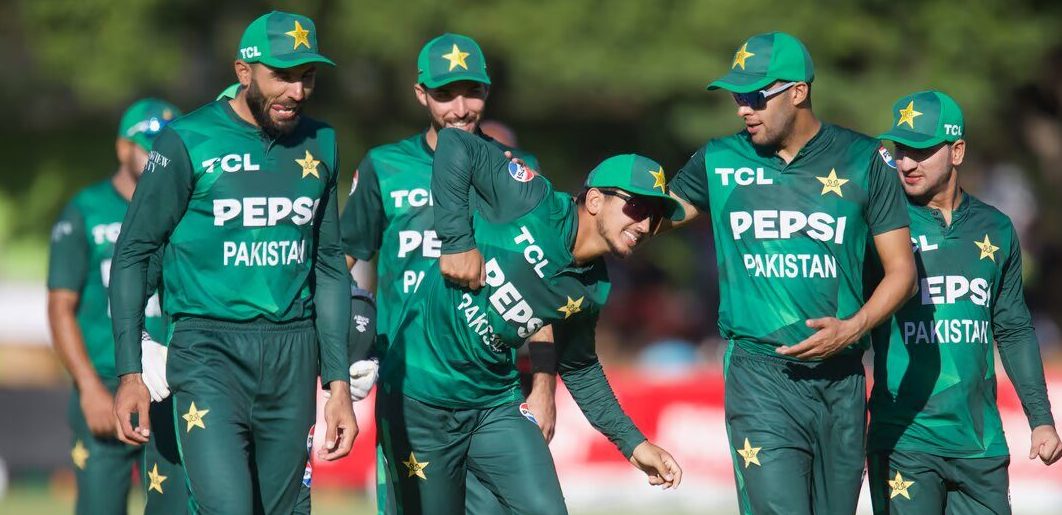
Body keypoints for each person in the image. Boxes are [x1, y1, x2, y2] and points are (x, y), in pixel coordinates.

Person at [107, 11, 356, 514]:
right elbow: (134, 252)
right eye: (281, 76)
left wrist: (339, 385)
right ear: (244, 72)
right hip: (207, 352)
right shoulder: (186, 140)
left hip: (292, 352)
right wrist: (130, 371)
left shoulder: (322, 142)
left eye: (307, 76)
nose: (297, 91)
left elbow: (329, 266)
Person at [662, 32, 917, 514]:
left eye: (755, 96)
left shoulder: (865, 160)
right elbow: (647, 219)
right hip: (759, 376)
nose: (743, 109)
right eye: (738, 97)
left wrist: (852, 329)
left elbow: (901, 272)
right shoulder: (718, 159)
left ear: (797, 91)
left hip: (841, 381)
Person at [380, 128, 683, 514]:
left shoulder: (593, 288)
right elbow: (456, 145)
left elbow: (580, 366)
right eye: (637, 208)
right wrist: (457, 242)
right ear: (593, 199)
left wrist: (634, 445)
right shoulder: (532, 200)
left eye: (655, 218)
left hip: (494, 404)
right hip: (421, 396)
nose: (644, 226)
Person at [338, 33, 558, 514]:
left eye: (472, 91)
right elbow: (340, 265)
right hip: (409, 387)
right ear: (421, 94)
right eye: (444, 94)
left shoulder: (518, 171)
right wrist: (338, 356)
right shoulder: (385, 167)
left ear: (488, 90)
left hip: (493, 388)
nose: (460, 107)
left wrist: (543, 389)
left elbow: (541, 285)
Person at [867, 90, 1062, 514]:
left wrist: (1040, 418)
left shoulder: (997, 227)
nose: (906, 163)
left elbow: (1012, 328)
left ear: (957, 151)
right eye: (900, 150)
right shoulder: (882, 225)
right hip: (904, 440)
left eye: (921, 150)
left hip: (980, 443)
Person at [47, 98, 180, 515]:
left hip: (170, 385)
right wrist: (88, 388)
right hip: (106, 384)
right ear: (124, 148)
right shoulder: (85, 210)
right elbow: (59, 306)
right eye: (149, 145)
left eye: (167, 146)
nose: (158, 156)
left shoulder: (187, 207)